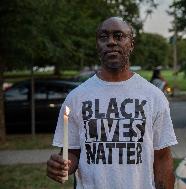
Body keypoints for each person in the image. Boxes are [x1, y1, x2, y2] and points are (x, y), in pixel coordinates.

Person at [46, 17, 178, 189]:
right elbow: (73, 152)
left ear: (131, 44)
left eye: (118, 36)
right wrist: (61, 166)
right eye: (103, 37)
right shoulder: (76, 97)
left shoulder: (153, 96)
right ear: (97, 45)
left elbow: (162, 158)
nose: (111, 42)